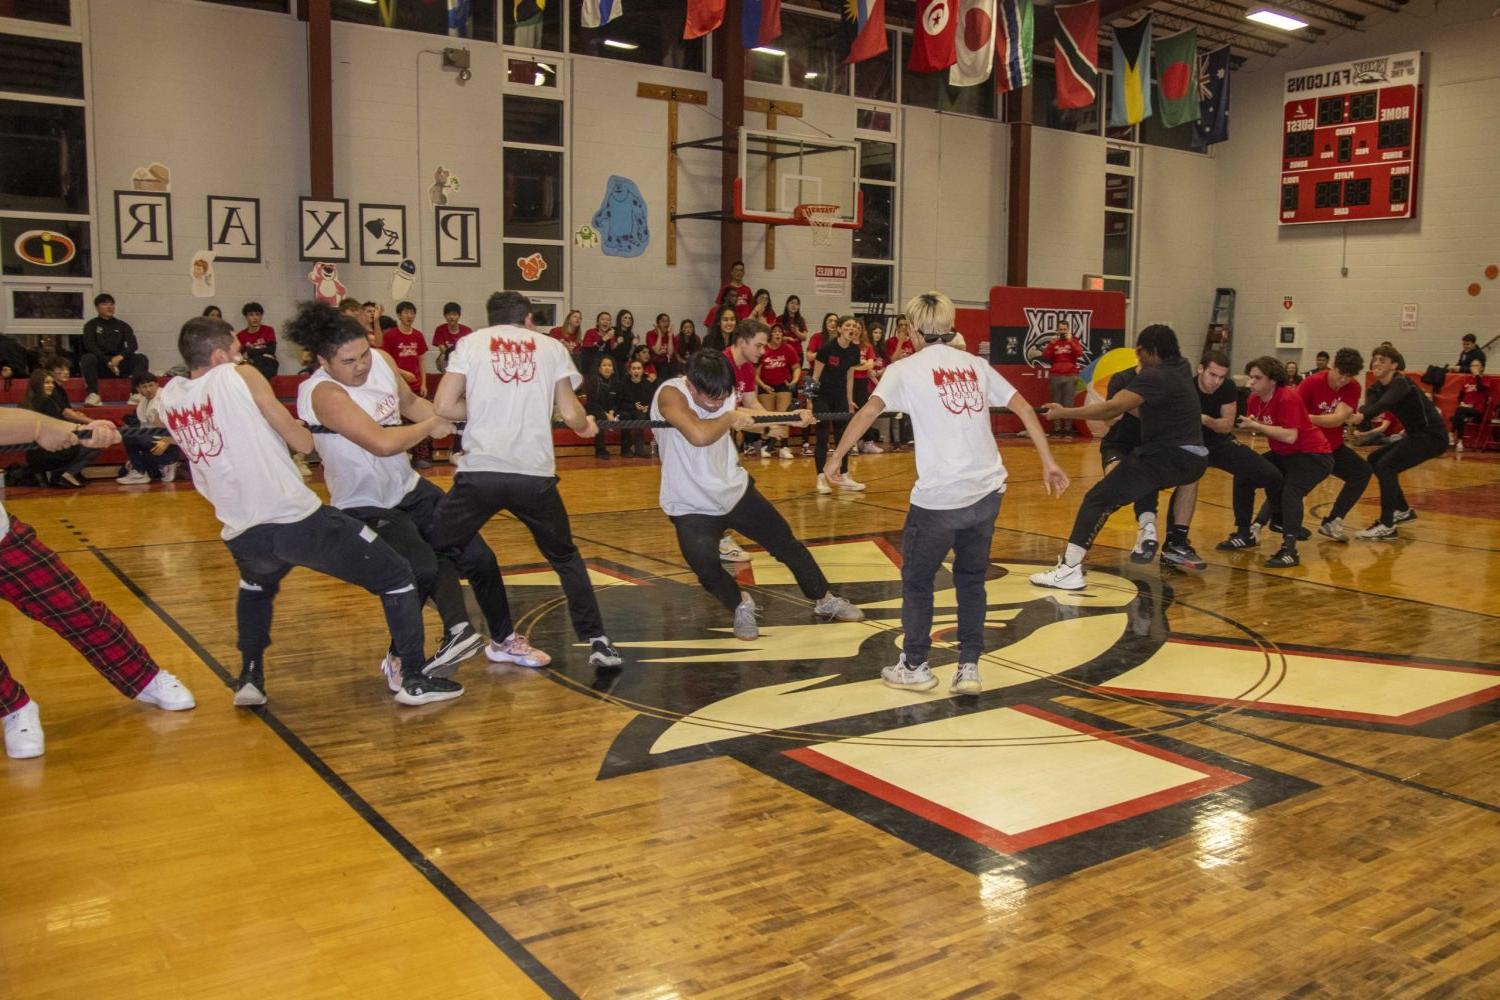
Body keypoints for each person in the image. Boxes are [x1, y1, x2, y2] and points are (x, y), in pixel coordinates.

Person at [158, 316, 461, 706]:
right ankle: (414, 678)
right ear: (220, 356)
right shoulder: (241, 376)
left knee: (256, 588)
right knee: (399, 575)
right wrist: (303, 430)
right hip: (292, 517)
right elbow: (303, 443)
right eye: (235, 350)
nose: (241, 355)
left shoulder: (172, 396)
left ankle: (249, 677)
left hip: (241, 529)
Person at [827, 291, 1068, 693]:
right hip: (987, 491)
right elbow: (1025, 409)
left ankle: (916, 664)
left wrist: (836, 458)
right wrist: (1049, 462)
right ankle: (968, 666)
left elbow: (868, 411)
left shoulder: (905, 369)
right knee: (971, 579)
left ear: (915, 330)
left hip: (939, 500)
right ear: (950, 325)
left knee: (918, 582)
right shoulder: (976, 365)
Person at [288, 302, 542, 680]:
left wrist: (472, 421)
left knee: (479, 556)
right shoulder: (323, 394)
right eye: (349, 361)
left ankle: (502, 640)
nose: (361, 366)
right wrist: (431, 427)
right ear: (324, 360)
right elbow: (381, 442)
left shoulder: (380, 361)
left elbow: (410, 404)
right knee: (419, 568)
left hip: (407, 487)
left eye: (364, 355)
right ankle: (398, 658)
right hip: (364, 501)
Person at [430, 291, 624, 669]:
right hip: (532, 475)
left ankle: (445, 632)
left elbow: (444, 406)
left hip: (481, 472)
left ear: (490, 320)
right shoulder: (551, 347)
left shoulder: (470, 343)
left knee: (435, 550)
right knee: (565, 556)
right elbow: (570, 413)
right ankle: (597, 640)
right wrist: (586, 427)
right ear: (529, 320)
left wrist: (487, 408)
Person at [0, 408, 195, 758]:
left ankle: (144, 677)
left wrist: (67, 429)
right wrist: (48, 427)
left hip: (3, 541)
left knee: (74, 608)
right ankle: (14, 708)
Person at [654, 349, 864, 641]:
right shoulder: (670, 395)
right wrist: (728, 417)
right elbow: (699, 435)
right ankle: (741, 604)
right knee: (705, 568)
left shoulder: (721, 393)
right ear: (691, 385)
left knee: (786, 543)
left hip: (734, 490)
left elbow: (745, 414)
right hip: (690, 502)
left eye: (722, 397)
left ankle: (824, 598)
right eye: (710, 399)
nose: (716, 403)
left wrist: (790, 417)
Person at [1031, 325, 1207, 590]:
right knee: (1129, 480)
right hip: (1194, 460)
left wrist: (1063, 412)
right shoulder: (1182, 366)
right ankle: (1146, 530)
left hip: (1168, 456)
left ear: (1152, 352)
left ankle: (1068, 570)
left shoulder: (1155, 376)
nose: (1138, 356)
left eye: (1141, 352)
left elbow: (1111, 409)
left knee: (1096, 499)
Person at [1161, 351, 1280, 566]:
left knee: (1268, 474)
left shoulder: (1226, 388)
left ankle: (1247, 531)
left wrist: (1205, 419)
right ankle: (1174, 541)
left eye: (1221, 377)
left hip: (1220, 443)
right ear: (1200, 369)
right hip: (1191, 444)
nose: (1216, 381)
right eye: (1212, 375)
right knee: (1187, 481)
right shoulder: (1184, 388)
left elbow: (1226, 425)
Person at [1229, 356, 1333, 568]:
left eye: (1257, 378)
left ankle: (1290, 550)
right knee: (1245, 475)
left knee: (1291, 491)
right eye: (1251, 378)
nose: (1251, 383)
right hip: (1284, 454)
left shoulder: (1287, 398)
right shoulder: (1254, 399)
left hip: (1313, 455)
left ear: (1273, 380)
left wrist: (1257, 426)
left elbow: (1290, 436)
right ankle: (1245, 532)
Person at [1349, 345, 1447, 538]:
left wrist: (1360, 414)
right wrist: (1352, 417)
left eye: (1382, 360)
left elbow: (1384, 404)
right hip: (1415, 435)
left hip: (1432, 436)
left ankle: (1387, 524)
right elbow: (1368, 413)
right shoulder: (1375, 388)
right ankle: (1402, 510)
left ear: (1394, 365)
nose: (1376, 363)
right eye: (1375, 359)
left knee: (1386, 466)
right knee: (1375, 460)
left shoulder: (1401, 382)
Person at [1093, 362, 1169, 564]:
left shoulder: (1166, 381)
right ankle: (1146, 527)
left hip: (1148, 446)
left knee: (1145, 472)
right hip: (1118, 444)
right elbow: (1108, 420)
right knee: (1112, 488)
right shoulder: (1121, 379)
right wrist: (1115, 412)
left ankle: (1148, 528)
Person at [1295, 348, 1372, 541]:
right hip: (1308, 447)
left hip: (1333, 448)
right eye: (1341, 374)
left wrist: (1308, 418)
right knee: (1295, 486)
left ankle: (1334, 520)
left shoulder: (1353, 387)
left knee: (1362, 472)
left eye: (1349, 376)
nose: (1344, 380)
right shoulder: (1311, 383)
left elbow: (1337, 420)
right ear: (1333, 367)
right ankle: (1262, 523)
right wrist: (1307, 420)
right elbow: (1293, 413)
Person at [811, 316, 865, 494]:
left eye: (855, 326)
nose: (852, 329)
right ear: (840, 329)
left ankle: (844, 475)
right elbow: (815, 376)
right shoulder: (827, 348)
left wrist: (849, 400)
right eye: (848, 326)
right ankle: (820, 477)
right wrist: (810, 400)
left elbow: (849, 377)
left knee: (844, 437)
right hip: (822, 396)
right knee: (823, 437)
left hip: (840, 395)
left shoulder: (854, 350)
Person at [21, 367, 97, 488]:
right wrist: (79, 427)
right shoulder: (47, 402)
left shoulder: (25, 403)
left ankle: (60, 474)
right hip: (49, 454)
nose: (51, 386)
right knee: (95, 443)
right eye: (46, 383)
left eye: (51, 383)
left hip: (33, 456)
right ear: (37, 384)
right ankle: (65, 475)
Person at [80, 293, 149, 405]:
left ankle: (136, 394)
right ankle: (93, 394)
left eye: (112, 304)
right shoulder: (90, 325)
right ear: (97, 307)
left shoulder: (123, 326)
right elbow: (90, 346)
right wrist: (107, 361)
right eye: (105, 304)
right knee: (87, 358)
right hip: (101, 366)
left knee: (141, 358)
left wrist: (120, 357)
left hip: (120, 364)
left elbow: (133, 345)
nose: (109, 307)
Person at [117, 372, 183, 484]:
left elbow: (181, 426)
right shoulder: (142, 403)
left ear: (157, 384)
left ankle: (166, 463)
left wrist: (168, 440)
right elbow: (144, 429)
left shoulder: (167, 399)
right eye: (144, 387)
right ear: (138, 389)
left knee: (129, 434)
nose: (148, 389)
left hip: (169, 443)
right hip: (153, 442)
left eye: (151, 385)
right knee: (122, 471)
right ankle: (154, 467)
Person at [757, 325, 800, 459]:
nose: (778, 334)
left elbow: (796, 368)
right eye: (775, 332)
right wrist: (763, 386)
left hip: (783, 386)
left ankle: (784, 446)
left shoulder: (788, 349)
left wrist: (794, 381)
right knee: (767, 417)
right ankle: (766, 446)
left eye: (780, 332)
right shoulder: (763, 349)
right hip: (766, 387)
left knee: (784, 416)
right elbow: (755, 374)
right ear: (770, 334)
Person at [1040, 320, 1084, 436]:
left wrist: (1070, 341)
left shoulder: (1073, 341)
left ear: (1068, 330)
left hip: (1070, 375)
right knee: (1056, 402)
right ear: (1058, 330)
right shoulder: (1054, 342)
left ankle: (1068, 428)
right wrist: (1051, 343)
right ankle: (1057, 428)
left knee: (1069, 403)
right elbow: (1045, 356)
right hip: (1056, 375)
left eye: (1065, 329)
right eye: (1061, 329)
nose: (1063, 331)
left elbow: (1079, 353)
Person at [584, 356, 624, 460]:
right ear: (599, 368)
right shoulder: (593, 381)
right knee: (600, 417)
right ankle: (600, 449)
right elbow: (592, 403)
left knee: (626, 414)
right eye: (604, 365)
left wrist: (611, 412)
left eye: (609, 365)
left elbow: (618, 401)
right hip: (594, 410)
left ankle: (626, 448)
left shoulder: (617, 383)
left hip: (611, 411)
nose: (607, 368)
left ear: (613, 369)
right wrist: (606, 415)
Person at [621, 357, 657, 458]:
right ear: (629, 371)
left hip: (642, 412)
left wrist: (647, 407)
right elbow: (620, 402)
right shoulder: (623, 384)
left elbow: (652, 401)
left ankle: (639, 449)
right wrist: (633, 406)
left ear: (642, 370)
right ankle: (625, 449)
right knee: (625, 417)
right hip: (627, 410)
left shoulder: (648, 384)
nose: (636, 371)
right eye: (633, 368)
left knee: (641, 416)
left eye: (638, 368)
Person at [1451, 359, 1488, 451]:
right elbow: (1460, 396)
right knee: (1460, 414)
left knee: (1459, 411)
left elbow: (1480, 388)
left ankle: (1451, 433)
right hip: (1465, 409)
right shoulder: (1467, 380)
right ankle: (1460, 443)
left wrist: (1477, 376)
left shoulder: (1486, 379)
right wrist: (1462, 403)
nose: (1474, 368)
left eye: (1476, 366)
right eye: (1472, 366)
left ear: (1482, 368)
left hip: (1478, 411)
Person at [235, 302, 278, 379]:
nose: (255, 318)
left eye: (257, 314)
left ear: (261, 316)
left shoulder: (268, 330)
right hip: (250, 365)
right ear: (246, 317)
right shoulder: (240, 335)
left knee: (260, 360)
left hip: (268, 364)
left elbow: (272, 350)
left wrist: (250, 351)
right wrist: (261, 350)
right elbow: (240, 356)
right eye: (251, 315)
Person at [432, 301, 473, 371]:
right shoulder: (440, 329)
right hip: (448, 358)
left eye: (454, 314)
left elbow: (469, 350)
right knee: (442, 358)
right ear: (445, 316)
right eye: (449, 314)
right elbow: (442, 350)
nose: (451, 317)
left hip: (462, 358)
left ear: (459, 315)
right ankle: (446, 376)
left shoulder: (467, 330)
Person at [579, 310, 613, 375]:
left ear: (610, 324)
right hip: (590, 367)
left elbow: (608, 355)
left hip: (605, 368)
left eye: (608, 320)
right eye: (603, 319)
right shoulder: (590, 332)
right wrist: (604, 339)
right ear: (597, 322)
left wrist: (608, 339)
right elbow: (588, 353)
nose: (605, 322)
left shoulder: (611, 335)